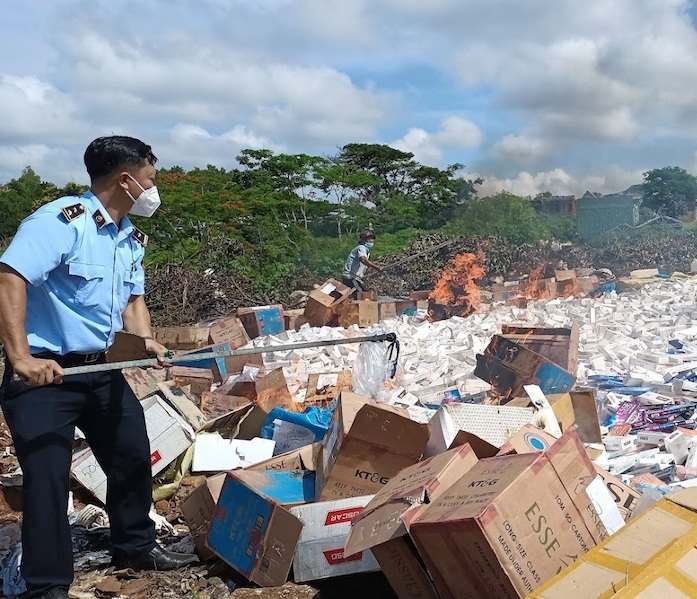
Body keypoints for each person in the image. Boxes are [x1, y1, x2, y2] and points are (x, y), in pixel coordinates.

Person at [0, 136, 197, 599]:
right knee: (47, 479)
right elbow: (10, 276)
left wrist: (145, 342)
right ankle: (47, 584)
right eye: (150, 178)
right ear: (126, 180)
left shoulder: (129, 236)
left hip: (101, 372)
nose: (154, 188)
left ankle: (135, 546)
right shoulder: (62, 222)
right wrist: (22, 358)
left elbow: (133, 301)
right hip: (47, 377)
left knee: (131, 455)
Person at [342, 231, 383, 296]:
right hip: (350, 277)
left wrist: (361, 275)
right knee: (363, 295)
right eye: (368, 239)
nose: (371, 241)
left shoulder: (366, 251)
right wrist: (377, 267)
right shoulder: (361, 248)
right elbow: (363, 260)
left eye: (372, 239)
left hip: (354, 278)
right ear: (363, 240)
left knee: (359, 295)